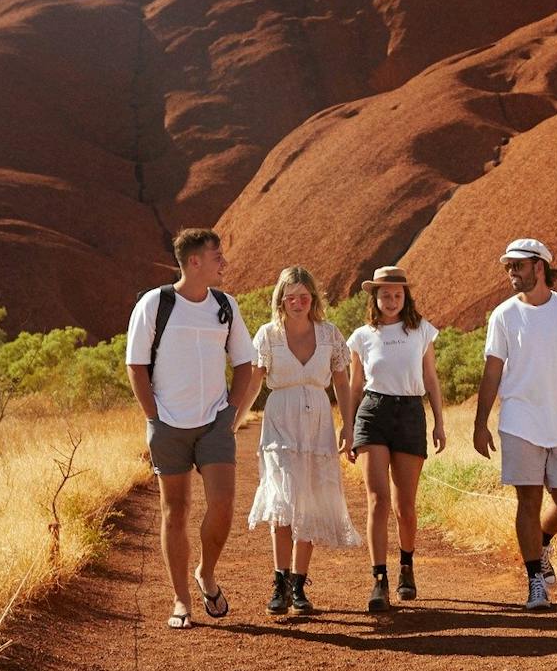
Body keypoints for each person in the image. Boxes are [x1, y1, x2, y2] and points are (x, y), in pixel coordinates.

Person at [125, 229, 262, 630]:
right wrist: (154, 416)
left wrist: (231, 412)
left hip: (215, 422)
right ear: (195, 262)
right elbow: (136, 365)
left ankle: (206, 572)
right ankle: (181, 600)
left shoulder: (225, 305)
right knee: (176, 511)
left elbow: (244, 363)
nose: (224, 263)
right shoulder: (156, 303)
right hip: (168, 423)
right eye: (217, 256)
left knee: (223, 505)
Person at [472, 238, 557, 610]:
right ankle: (535, 580)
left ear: (540, 267)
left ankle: (543, 540)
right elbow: (492, 370)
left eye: (518, 266)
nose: (511, 273)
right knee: (528, 500)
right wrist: (480, 422)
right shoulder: (503, 315)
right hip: (519, 420)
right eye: (508, 267)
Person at [241, 266, 357, 616]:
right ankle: (279, 582)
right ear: (281, 299)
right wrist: (236, 419)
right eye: (290, 296)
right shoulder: (268, 335)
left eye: (304, 296)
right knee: (283, 499)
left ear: (313, 299)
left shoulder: (329, 335)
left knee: (307, 500)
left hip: (319, 422)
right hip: (280, 421)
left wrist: (348, 427)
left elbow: (341, 383)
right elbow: (254, 382)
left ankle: (299, 586)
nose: (297, 302)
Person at [342, 266, 446, 612]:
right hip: (373, 413)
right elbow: (355, 386)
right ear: (375, 297)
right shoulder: (361, 336)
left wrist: (439, 424)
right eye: (385, 294)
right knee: (378, 500)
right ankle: (379, 579)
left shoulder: (421, 331)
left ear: (406, 297)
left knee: (405, 505)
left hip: (410, 414)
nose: (391, 300)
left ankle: (406, 567)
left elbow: (431, 379)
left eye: (397, 295)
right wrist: (348, 427)